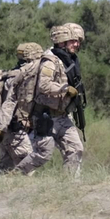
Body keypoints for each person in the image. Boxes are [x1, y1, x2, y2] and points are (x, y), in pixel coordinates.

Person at [18, 23, 86, 176]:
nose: (77, 44)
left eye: (78, 41)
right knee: (42, 154)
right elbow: (43, 85)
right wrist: (64, 89)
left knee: (76, 149)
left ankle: (70, 184)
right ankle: (15, 175)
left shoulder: (69, 60)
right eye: (73, 41)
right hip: (46, 117)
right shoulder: (50, 61)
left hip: (62, 116)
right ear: (62, 41)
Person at [0, 42, 46, 173]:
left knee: (5, 167)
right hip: (14, 129)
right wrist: (2, 128)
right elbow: (9, 104)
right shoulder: (23, 78)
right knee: (28, 166)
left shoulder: (11, 74)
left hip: (7, 130)